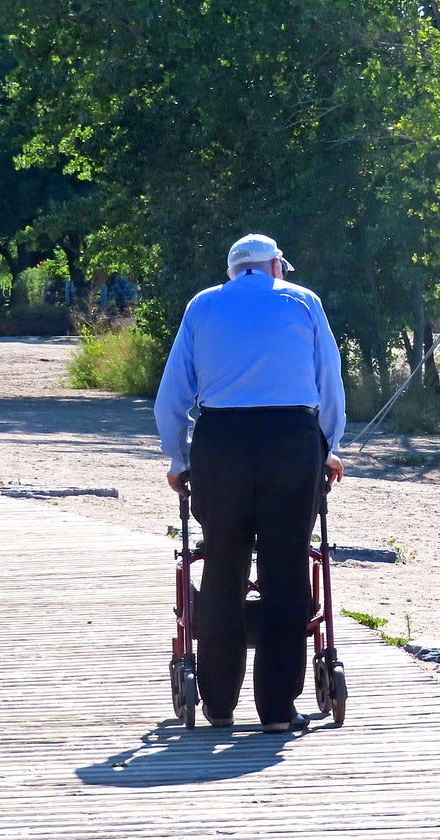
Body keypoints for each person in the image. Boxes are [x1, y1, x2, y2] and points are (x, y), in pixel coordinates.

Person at [154, 233, 346, 734]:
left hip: (222, 442)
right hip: (291, 439)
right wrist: (328, 448)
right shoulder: (303, 302)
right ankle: (278, 711)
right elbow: (330, 383)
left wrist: (177, 458)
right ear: (276, 266)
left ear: (233, 270)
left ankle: (218, 703)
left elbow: (172, 394)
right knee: (286, 569)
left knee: (222, 565)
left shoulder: (203, 306)